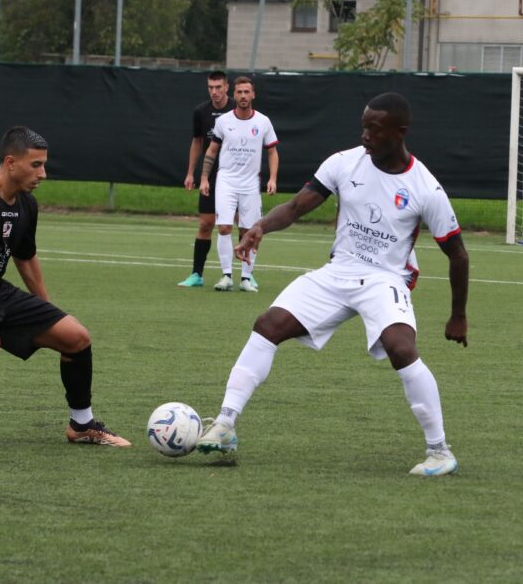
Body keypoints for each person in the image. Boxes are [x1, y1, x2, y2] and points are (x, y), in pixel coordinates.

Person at [195, 92, 470, 477]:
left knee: (400, 347)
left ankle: (440, 451)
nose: (365, 136)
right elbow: (296, 206)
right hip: (337, 272)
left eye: (374, 129)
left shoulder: (426, 188)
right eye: (363, 126)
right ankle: (225, 423)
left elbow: (458, 254)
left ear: (400, 132)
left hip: (385, 279)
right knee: (267, 324)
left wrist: (458, 316)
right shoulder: (344, 162)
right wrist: (259, 227)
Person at [0, 126, 131, 452]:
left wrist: (46, 310)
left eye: (44, 165)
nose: (43, 173)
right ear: (10, 162)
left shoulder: (26, 205)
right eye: (36, 165)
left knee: (76, 336)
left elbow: (25, 257)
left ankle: (81, 424)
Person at [200, 76, 278, 292]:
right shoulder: (223, 121)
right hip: (226, 181)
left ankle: (246, 278)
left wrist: (272, 178)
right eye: (239, 92)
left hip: (251, 183)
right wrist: (205, 178)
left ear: (253, 95)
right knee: (224, 226)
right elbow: (212, 150)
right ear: (234, 95)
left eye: (247, 92)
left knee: (249, 231)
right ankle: (226, 275)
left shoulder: (263, 122)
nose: (243, 96)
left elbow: (272, 151)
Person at [177, 71, 235, 288]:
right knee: (206, 223)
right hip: (209, 176)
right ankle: (196, 274)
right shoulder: (201, 111)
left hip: (235, 176)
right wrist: (191, 173)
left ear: (226, 87)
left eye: (218, 87)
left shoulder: (237, 109)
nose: (214, 91)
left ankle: (246, 275)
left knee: (242, 225)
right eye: (211, 87)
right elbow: (197, 142)